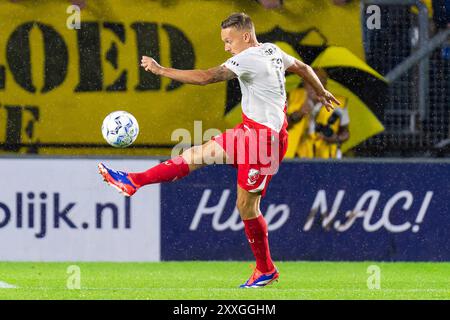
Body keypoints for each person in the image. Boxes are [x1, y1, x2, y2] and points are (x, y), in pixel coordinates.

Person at [98, 12, 339, 288]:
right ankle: (133, 181)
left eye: (229, 41)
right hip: (249, 131)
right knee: (194, 155)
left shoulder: (248, 58)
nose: (227, 47)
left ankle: (266, 270)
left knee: (247, 207)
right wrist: (319, 91)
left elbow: (205, 77)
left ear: (245, 36)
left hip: (265, 142)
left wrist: (162, 70)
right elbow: (303, 67)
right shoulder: (272, 50)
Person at [287, 68, 349, 159]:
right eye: (309, 82)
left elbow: (345, 132)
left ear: (325, 84)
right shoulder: (291, 97)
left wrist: (336, 139)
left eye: (318, 82)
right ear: (304, 83)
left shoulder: (338, 103)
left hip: (327, 160)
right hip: (296, 158)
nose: (313, 87)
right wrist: (298, 114)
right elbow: (279, 127)